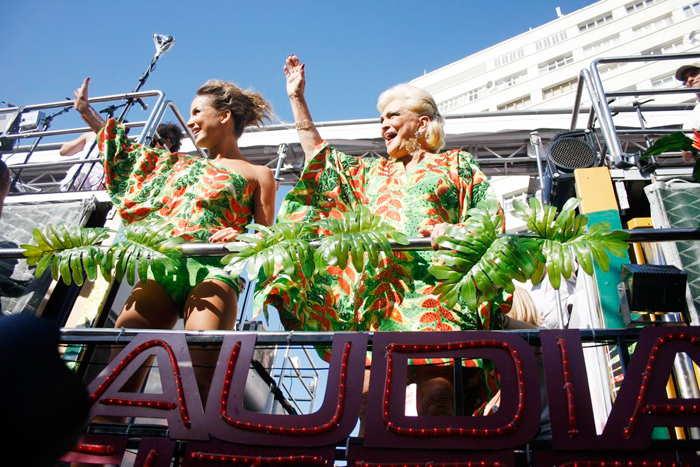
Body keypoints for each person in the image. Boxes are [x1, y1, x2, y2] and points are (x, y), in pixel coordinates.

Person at [259, 55, 512, 419]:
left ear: (421, 122)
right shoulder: (370, 170)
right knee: (364, 403)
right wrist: (297, 98)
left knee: (438, 402)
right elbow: (320, 157)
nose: (384, 124)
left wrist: (455, 230)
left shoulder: (456, 163)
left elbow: (488, 215)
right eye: (381, 119)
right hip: (378, 297)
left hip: (437, 295)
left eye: (393, 115)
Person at [72, 77, 276, 398]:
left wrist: (244, 238)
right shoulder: (176, 166)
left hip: (213, 271)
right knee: (119, 372)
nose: (191, 121)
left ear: (224, 116)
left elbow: (268, 238)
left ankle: (189, 448)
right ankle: (102, 446)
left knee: (198, 384)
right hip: (162, 268)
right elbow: (130, 157)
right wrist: (88, 113)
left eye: (197, 112)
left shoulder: (258, 174)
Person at [58, 121, 183, 191]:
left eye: (170, 140)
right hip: (88, 176)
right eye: (164, 137)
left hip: (95, 179)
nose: (166, 141)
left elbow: (64, 151)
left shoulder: (91, 135)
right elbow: (63, 151)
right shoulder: (128, 145)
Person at [675, 64, 700, 163]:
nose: (689, 79)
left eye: (694, 74)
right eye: (685, 79)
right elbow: (687, 157)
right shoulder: (693, 115)